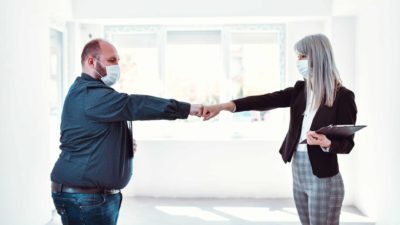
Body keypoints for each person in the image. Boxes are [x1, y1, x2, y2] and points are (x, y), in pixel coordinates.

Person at [202, 34, 357, 225]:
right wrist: (224, 106)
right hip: (298, 172)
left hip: (323, 177)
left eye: (302, 57)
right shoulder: (300, 90)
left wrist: (326, 142)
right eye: (298, 57)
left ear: (317, 57)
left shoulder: (343, 96)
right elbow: (265, 100)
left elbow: (347, 144)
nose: (298, 61)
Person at [50, 38, 203, 225]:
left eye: (118, 61)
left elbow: (93, 135)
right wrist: (188, 109)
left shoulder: (92, 93)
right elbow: (134, 105)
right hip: (85, 199)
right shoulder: (91, 94)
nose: (117, 67)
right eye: (112, 60)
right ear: (91, 62)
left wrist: (121, 145)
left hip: (91, 197)